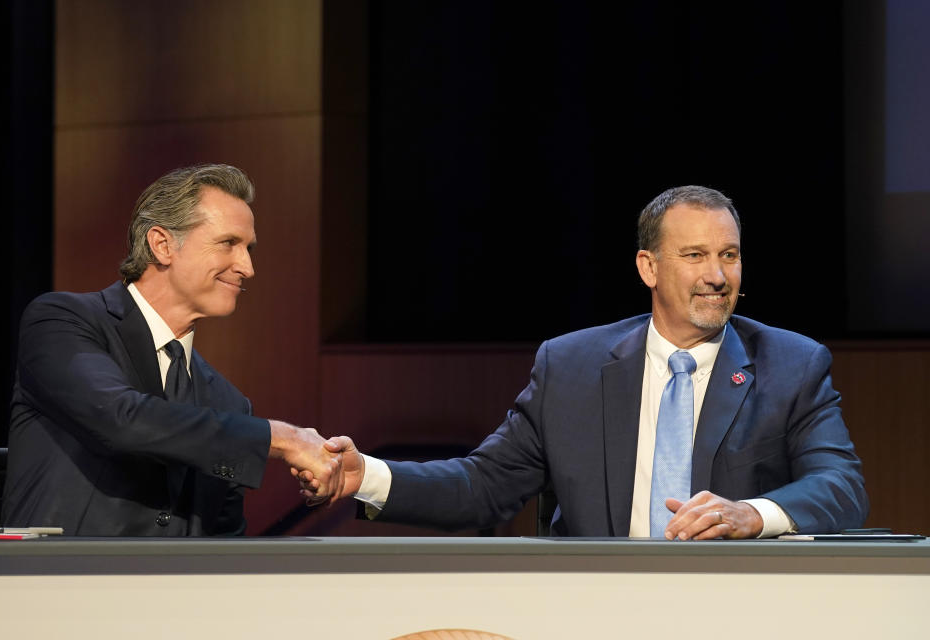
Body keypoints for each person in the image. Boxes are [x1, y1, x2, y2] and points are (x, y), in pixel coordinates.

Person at [315, 185, 869, 540]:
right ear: (648, 267)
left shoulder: (791, 364)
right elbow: (486, 486)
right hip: (594, 605)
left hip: (732, 609)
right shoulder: (571, 366)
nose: (718, 276)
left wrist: (752, 514)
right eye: (695, 256)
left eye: (729, 255)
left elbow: (841, 484)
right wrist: (371, 476)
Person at [3, 163, 338, 536]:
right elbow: (119, 419)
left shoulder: (228, 402)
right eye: (229, 243)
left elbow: (224, 545)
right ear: (162, 245)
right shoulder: (63, 321)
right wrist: (282, 438)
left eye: (248, 248)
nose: (248, 267)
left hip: (177, 592)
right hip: (53, 585)